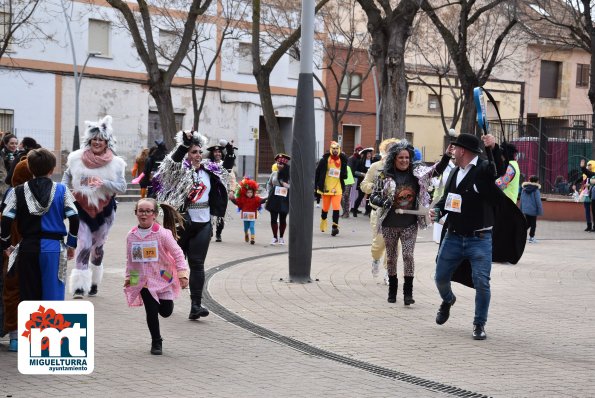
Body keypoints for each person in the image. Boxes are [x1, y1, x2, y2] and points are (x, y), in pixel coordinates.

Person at [429, 133, 505, 341]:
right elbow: (448, 198)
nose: (451, 151)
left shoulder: (482, 169)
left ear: (462, 150)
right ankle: (448, 299)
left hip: (479, 239)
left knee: (482, 282)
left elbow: (499, 171)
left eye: (454, 148)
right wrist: (438, 211)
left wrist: (494, 148)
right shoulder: (455, 172)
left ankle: (479, 324)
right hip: (453, 236)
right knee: (440, 277)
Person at [152, 130, 228, 320]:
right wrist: (184, 145)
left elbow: (225, 171)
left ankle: (196, 305)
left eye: (199, 152)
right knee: (171, 263)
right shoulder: (178, 171)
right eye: (194, 152)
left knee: (197, 264)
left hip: (203, 223)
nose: (198, 155)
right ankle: (164, 297)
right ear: (187, 153)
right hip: (180, 223)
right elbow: (171, 163)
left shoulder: (209, 171)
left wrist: (230, 155)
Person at [370, 140, 451, 305]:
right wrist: (383, 202)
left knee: (408, 256)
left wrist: (447, 157)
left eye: (407, 157)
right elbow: (373, 196)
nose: (404, 160)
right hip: (389, 223)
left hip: (409, 223)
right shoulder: (384, 175)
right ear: (394, 158)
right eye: (401, 157)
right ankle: (392, 291)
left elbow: (435, 172)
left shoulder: (417, 173)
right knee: (391, 258)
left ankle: (408, 293)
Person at [0, 149, 78, 304]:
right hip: (54, 248)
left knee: (29, 297)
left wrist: (6, 244)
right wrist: (71, 244)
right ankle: (51, 327)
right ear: (52, 169)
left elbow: (6, 219)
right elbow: (74, 217)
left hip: (27, 247)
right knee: (53, 297)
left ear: (29, 168)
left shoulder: (16, 191)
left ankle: (30, 327)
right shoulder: (62, 190)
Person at [63, 115, 127, 298]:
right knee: (83, 245)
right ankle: (79, 287)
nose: (97, 142)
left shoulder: (116, 163)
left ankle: (94, 282)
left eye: (101, 139)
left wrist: (103, 182)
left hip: (105, 212)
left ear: (107, 142)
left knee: (97, 249)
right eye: (94, 139)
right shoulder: (76, 158)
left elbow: (122, 187)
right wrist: (65, 191)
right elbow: (67, 176)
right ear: (89, 140)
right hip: (81, 209)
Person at [124, 198, 189, 355]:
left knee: (165, 311)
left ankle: (166, 305)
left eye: (148, 211)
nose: (144, 214)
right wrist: (130, 279)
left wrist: (182, 274)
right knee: (151, 311)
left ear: (154, 214)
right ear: (136, 213)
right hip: (144, 280)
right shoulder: (131, 236)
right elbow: (131, 260)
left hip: (163, 277)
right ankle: (156, 341)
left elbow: (178, 254)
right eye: (141, 211)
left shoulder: (162, 234)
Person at [360, 138, 399, 277]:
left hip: (396, 214)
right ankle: (376, 259)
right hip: (378, 212)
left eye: (396, 150)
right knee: (379, 244)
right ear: (384, 151)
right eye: (389, 150)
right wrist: (375, 187)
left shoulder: (402, 168)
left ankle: (389, 273)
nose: (392, 153)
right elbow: (364, 185)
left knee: (394, 245)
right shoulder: (375, 167)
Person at [205, 140, 236, 242]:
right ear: (212, 153)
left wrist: (232, 190)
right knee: (208, 213)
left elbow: (232, 178)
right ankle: (209, 231)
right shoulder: (207, 164)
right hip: (210, 192)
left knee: (220, 214)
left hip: (222, 193)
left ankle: (219, 233)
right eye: (215, 152)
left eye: (219, 152)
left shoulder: (226, 164)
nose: (217, 154)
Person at [315, 141, 348, 236]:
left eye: (337, 148)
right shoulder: (324, 160)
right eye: (333, 148)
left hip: (337, 187)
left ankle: (335, 227)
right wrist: (316, 185)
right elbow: (317, 173)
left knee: (336, 207)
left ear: (339, 149)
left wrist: (342, 172)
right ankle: (323, 221)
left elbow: (345, 175)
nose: (335, 150)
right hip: (326, 187)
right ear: (330, 149)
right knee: (325, 208)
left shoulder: (343, 160)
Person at [229, 177, 266, 244]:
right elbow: (237, 202)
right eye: (248, 192)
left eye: (251, 192)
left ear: (253, 192)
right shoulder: (242, 199)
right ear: (245, 192)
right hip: (245, 216)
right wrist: (232, 199)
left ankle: (252, 238)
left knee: (252, 226)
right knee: (246, 228)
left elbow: (261, 201)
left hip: (252, 216)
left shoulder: (256, 199)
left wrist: (267, 199)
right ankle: (246, 234)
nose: (249, 194)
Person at [265, 154, 290, 245]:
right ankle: (275, 237)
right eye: (278, 163)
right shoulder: (274, 173)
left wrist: (287, 185)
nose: (279, 165)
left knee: (283, 219)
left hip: (284, 198)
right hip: (274, 198)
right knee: (273, 218)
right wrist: (269, 192)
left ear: (285, 165)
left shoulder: (289, 175)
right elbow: (269, 183)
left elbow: (294, 187)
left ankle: (282, 237)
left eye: (281, 164)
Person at [520, 175, 544, 243]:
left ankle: (520, 233)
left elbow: (521, 200)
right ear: (537, 181)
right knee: (533, 224)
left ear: (529, 180)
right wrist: (540, 211)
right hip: (533, 210)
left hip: (526, 210)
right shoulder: (536, 190)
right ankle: (531, 238)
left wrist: (521, 209)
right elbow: (538, 201)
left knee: (528, 223)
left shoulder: (524, 189)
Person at [342, 145, 363, 218]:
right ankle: (348, 210)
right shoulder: (352, 158)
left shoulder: (360, 158)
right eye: (358, 150)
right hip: (352, 178)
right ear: (355, 150)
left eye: (361, 150)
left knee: (351, 195)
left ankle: (349, 210)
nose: (359, 152)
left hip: (356, 179)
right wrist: (358, 174)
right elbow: (350, 169)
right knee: (347, 196)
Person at [352, 148, 374, 217]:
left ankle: (368, 211)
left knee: (370, 197)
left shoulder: (373, 162)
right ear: (365, 155)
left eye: (370, 153)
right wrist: (362, 174)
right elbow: (355, 172)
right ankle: (355, 210)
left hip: (370, 182)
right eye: (368, 154)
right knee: (360, 197)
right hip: (362, 182)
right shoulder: (360, 162)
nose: (369, 155)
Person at [578, 159, 595, 231]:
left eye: (590, 165)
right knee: (589, 210)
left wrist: (590, 184)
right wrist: (582, 167)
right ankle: (589, 225)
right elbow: (585, 173)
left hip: (592, 194)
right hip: (590, 195)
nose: (589, 166)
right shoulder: (589, 174)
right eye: (588, 165)